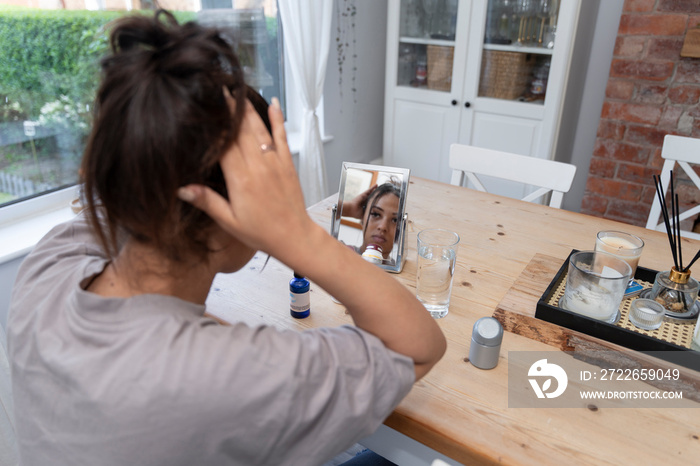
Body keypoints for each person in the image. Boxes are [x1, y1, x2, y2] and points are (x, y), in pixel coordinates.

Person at [7, 10, 446, 466]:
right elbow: (418, 347)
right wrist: (298, 235)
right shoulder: (229, 377)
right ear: (226, 217)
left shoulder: (47, 267)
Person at [342, 181, 401, 262]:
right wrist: (349, 208)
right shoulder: (340, 252)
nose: (383, 227)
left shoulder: (403, 272)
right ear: (363, 217)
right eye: (376, 214)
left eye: (395, 220)